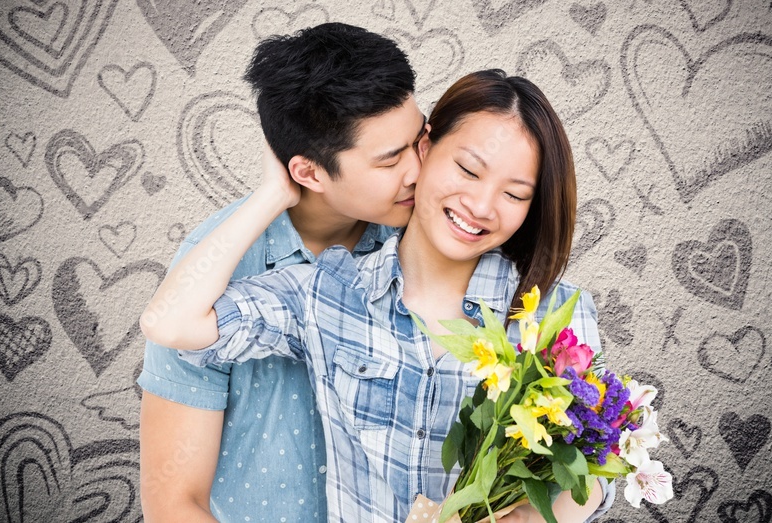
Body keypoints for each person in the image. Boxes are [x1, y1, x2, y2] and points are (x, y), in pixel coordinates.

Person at [142, 70, 616, 522]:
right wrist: (272, 191)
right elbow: (171, 323)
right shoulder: (328, 292)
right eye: (469, 170)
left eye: (515, 195)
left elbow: (595, 468)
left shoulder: (554, 314)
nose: (482, 206)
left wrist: (534, 517)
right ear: (424, 150)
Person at [137, 23, 426, 522]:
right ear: (308, 172)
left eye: (419, 139)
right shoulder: (211, 275)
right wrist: (271, 195)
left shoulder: (428, 239)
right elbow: (172, 502)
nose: (418, 170)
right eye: (389, 160)